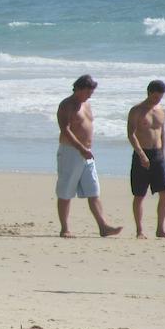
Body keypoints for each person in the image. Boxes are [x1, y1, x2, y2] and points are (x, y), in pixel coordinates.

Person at [55, 74, 122, 238]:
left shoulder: (86, 104)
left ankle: (103, 226)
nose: (90, 95)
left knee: (93, 191)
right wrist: (80, 148)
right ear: (78, 89)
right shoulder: (67, 105)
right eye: (88, 92)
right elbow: (65, 130)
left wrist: (86, 149)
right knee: (66, 191)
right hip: (71, 152)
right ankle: (65, 228)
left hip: (87, 154)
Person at [127, 80, 165, 240]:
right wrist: (141, 154)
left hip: (157, 155)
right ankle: (139, 230)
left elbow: (162, 133)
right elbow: (131, 134)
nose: (157, 100)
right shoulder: (137, 110)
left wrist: (163, 153)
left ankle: (160, 229)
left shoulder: (161, 110)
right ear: (148, 93)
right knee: (140, 195)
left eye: (160, 97)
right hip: (142, 154)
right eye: (155, 97)